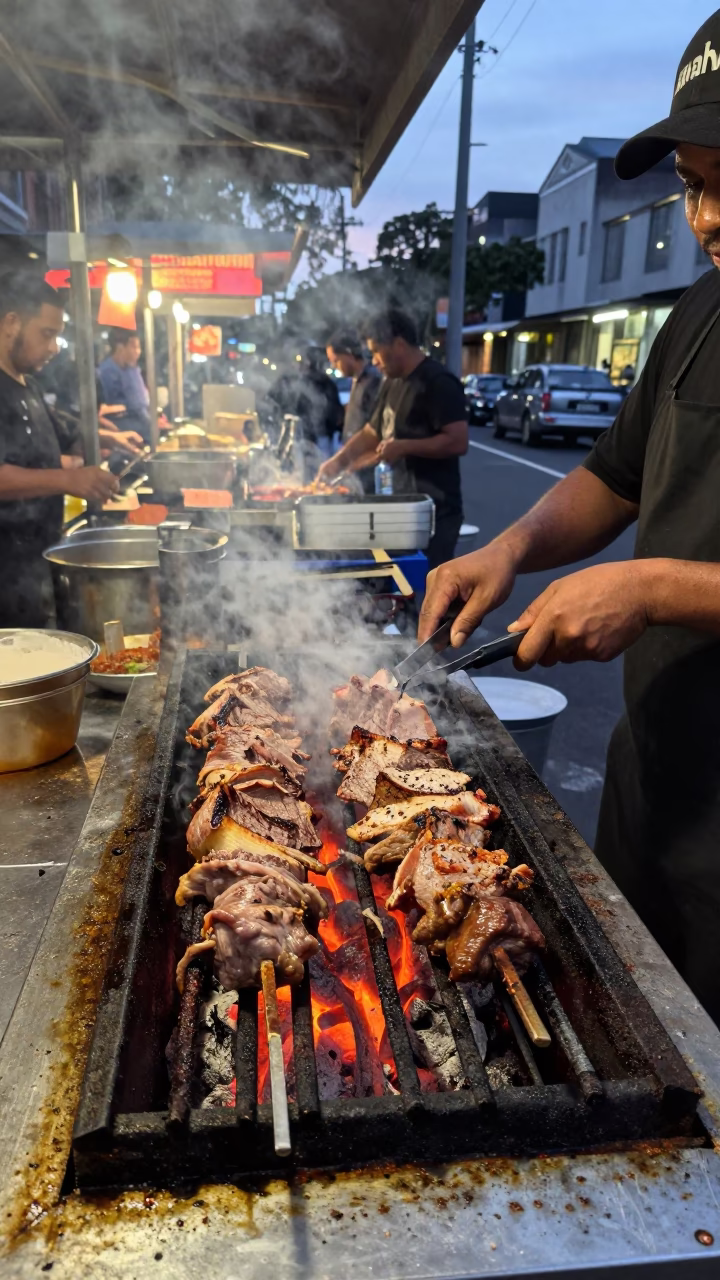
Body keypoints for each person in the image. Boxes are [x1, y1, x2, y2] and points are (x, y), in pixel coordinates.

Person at [418, 10, 720, 1024]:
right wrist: (508, 546)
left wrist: (657, 586)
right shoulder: (698, 314)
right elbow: (614, 477)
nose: (706, 218)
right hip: (656, 789)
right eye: (694, 184)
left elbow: (653, 569)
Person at [0, 272, 119, 628]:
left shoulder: (28, 386)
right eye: (46, 334)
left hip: (34, 566)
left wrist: (107, 439)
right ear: (11, 323)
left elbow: (65, 436)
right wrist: (70, 479)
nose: (53, 348)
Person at [318, 309, 468, 571]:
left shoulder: (439, 381)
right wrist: (338, 461)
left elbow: (457, 441)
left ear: (399, 344)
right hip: (397, 507)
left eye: (376, 351)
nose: (374, 360)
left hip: (432, 512)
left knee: (431, 589)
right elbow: (371, 432)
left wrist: (404, 447)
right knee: (398, 588)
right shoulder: (392, 382)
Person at [326, 330, 382, 443]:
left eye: (336, 360)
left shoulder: (372, 380)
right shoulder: (357, 379)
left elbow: (375, 427)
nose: (333, 366)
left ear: (349, 353)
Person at [97, 328, 151, 442]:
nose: (138, 351)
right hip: (123, 431)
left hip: (144, 428)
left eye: (139, 347)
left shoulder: (132, 369)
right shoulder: (106, 371)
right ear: (120, 348)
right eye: (134, 347)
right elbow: (104, 408)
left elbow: (141, 401)